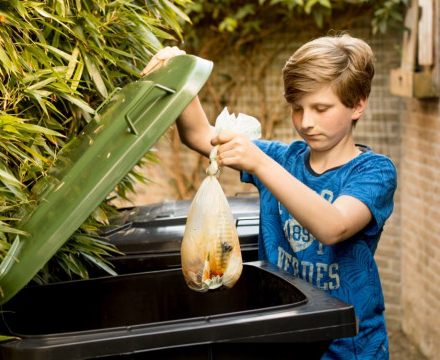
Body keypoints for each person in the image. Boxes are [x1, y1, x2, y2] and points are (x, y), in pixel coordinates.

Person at [141, 34, 397, 359]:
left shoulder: (374, 172)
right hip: (284, 334)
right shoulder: (283, 159)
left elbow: (334, 227)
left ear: (358, 104)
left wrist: (260, 163)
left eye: (321, 108)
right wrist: (180, 70)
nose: (306, 122)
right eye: (297, 108)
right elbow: (199, 135)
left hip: (350, 344)